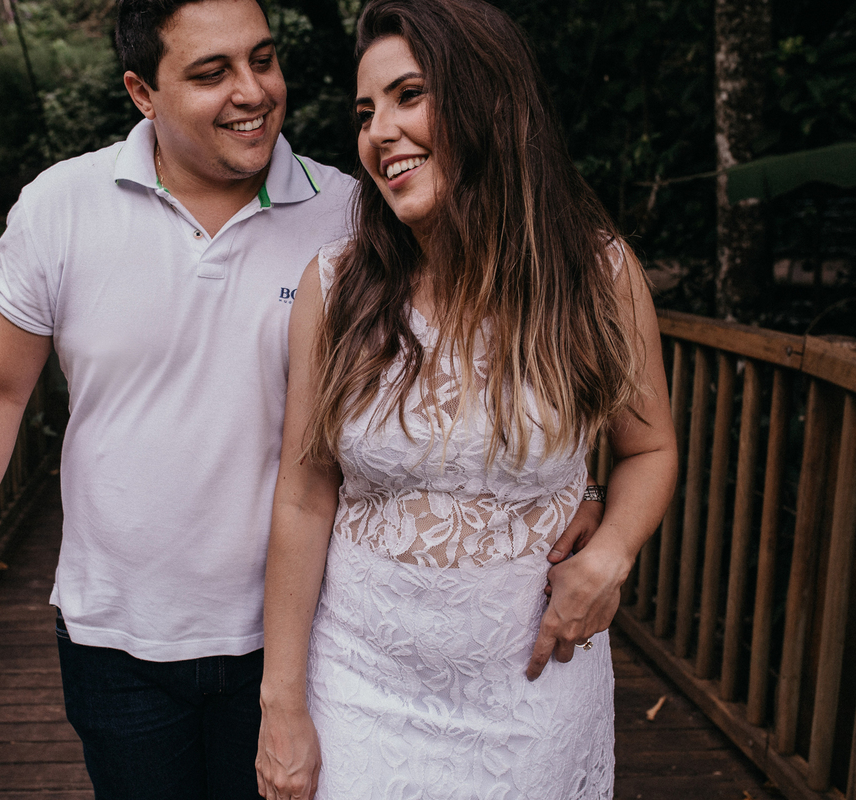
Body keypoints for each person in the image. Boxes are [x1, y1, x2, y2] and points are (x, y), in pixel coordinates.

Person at [0, 1, 359, 797]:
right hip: (116, 640)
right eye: (212, 72)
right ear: (141, 92)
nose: (253, 91)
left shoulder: (352, 216)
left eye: (262, 59)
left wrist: (581, 489)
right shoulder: (61, 205)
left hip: (304, 638)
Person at [255, 1, 678, 798]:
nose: (379, 131)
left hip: (534, 696)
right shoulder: (336, 287)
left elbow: (648, 448)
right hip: (362, 690)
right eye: (365, 110)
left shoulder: (596, 276)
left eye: (409, 95)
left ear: (488, 100)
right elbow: (306, 494)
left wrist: (613, 552)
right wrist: (283, 706)